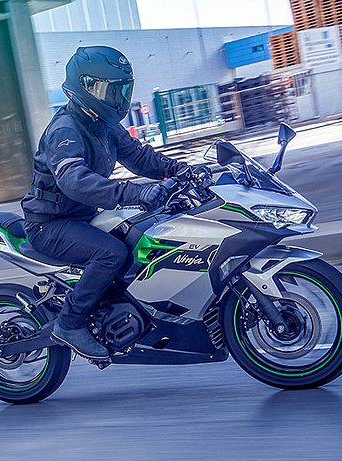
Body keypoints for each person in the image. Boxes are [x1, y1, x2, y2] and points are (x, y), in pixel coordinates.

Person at [21, 46, 208, 359]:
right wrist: (135, 194)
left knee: (146, 236)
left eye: (122, 90)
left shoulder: (104, 125)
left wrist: (183, 171)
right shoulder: (64, 130)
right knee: (111, 253)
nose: (118, 98)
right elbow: (75, 181)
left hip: (82, 217)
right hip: (49, 224)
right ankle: (69, 323)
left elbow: (139, 157)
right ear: (87, 87)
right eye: (111, 90)